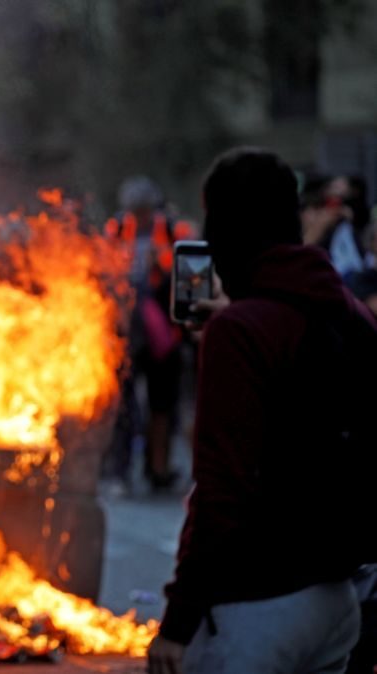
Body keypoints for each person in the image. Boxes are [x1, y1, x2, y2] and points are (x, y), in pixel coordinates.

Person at [148, 148, 377, 673]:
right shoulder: (348, 313)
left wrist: (178, 623)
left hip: (257, 604)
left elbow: (221, 489)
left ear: (224, 223)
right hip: (337, 598)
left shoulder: (241, 333)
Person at [103, 176, 194, 492]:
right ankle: (120, 472)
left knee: (162, 407)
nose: (138, 216)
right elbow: (101, 270)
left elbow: (191, 273)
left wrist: (163, 264)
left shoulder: (173, 230)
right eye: (133, 210)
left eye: (143, 210)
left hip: (165, 333)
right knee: (123, 408)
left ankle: (159, 470)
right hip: (126, 331)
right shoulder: (114, 230)